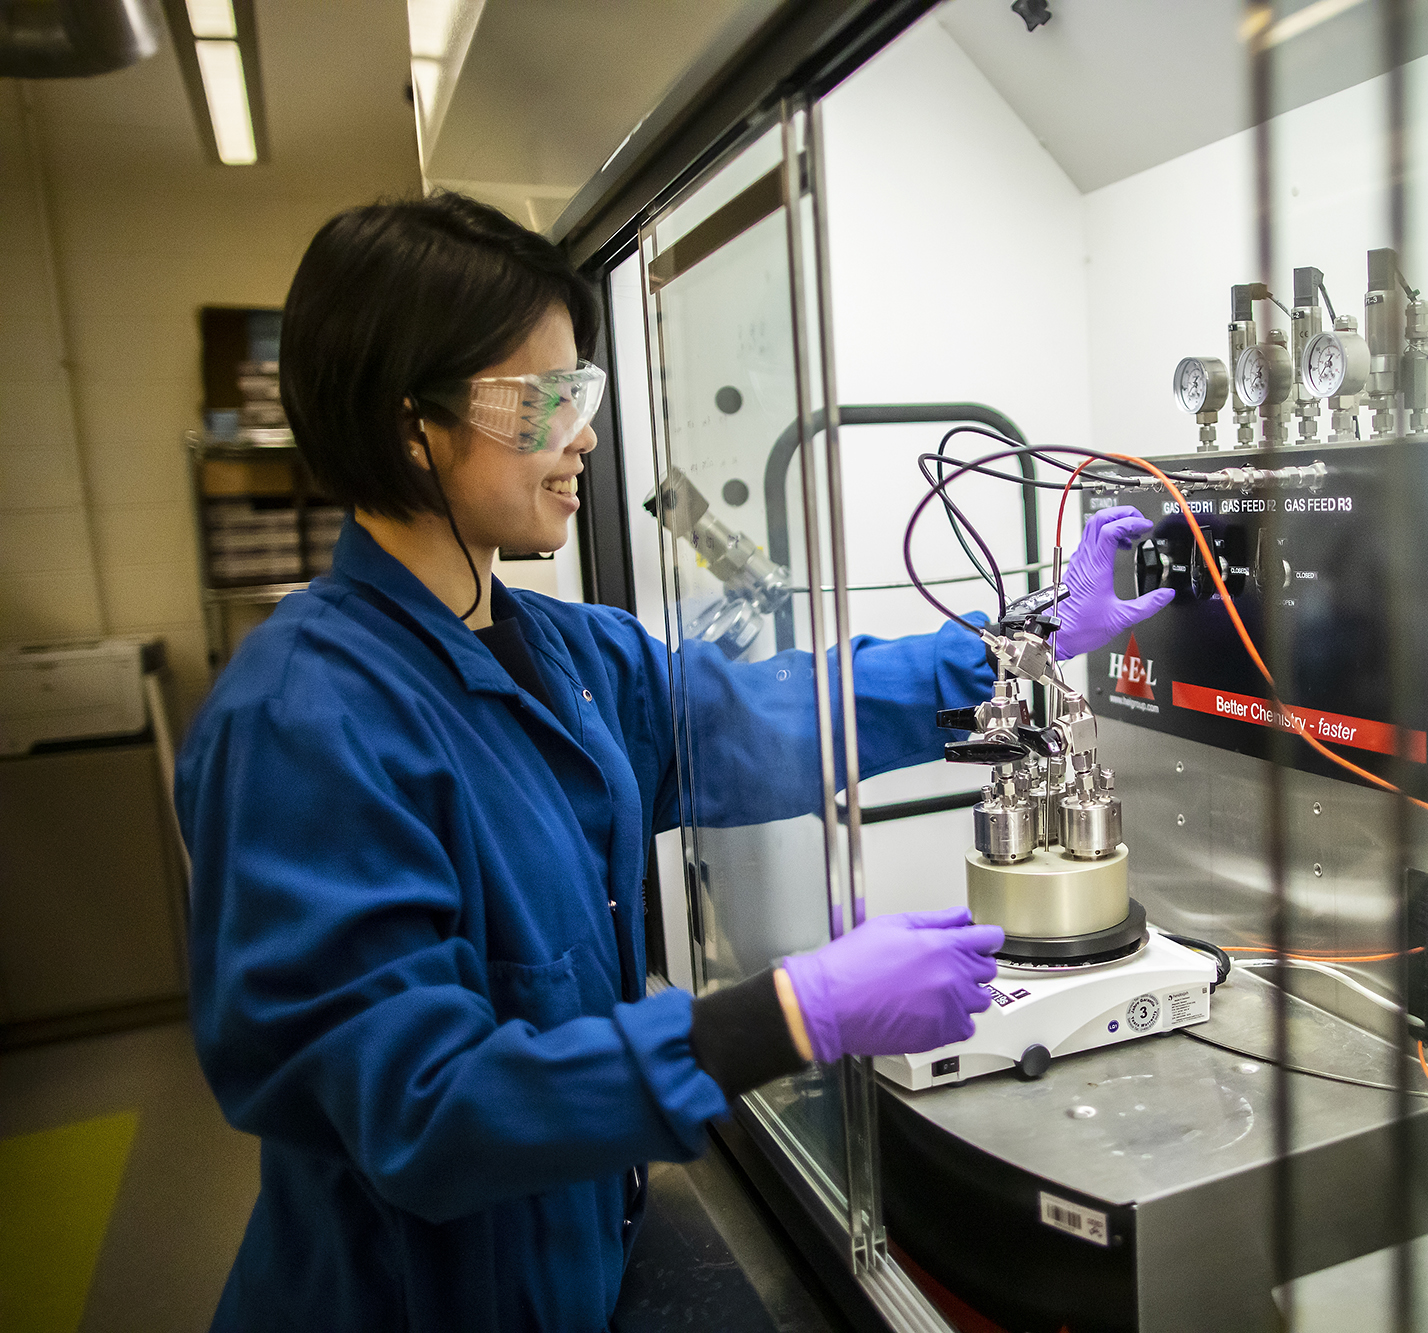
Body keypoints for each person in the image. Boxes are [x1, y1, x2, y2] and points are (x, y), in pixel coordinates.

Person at [174, 192, 1173, 1332]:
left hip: (575, 1276)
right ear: (414, 428)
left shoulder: (569, 654)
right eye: (545, 400)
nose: (583, 436)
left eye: (582, 394)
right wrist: (789, 1017)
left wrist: (1030, 637)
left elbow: (787, 715)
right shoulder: (305, 725)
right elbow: (422, 1108)